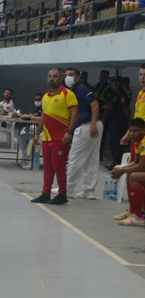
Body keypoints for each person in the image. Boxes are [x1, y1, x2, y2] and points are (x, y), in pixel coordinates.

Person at [51, 68, 101, 199]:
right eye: (66, 75)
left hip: (88, 126)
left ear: (77, 77)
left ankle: (67, 188)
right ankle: (88, 190)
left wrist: (94, 124)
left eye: (71, 75)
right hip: (90, 125)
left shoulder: (82, 88)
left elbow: (95, 105)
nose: (67, 77)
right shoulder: (71, 91)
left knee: (74, 157)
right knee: (92, 159)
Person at [30, 69, 79, 205]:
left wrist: (69, 132)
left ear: (61, 78)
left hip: (60, 138)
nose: (52, 79)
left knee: (59, 167)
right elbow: (43, 117)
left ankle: (62, 194)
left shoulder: (67, 94)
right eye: (49, 76)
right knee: (48, 168)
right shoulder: (45, 96)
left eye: (55, 77)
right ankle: (45, 193)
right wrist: (37, 134)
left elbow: (75, 113)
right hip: (46, 138)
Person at [111, 118, 145, 226]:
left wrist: (123, 170)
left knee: (134, 176)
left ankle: (139, 217)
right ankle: (132, 211)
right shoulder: (137, 142)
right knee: (130, 173)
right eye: (130, 131)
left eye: (135, 131)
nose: (132, 134)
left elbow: (141, 166)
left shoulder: (144, 142)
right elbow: (135, 162)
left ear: (143, 130)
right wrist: (121, 169)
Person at [103, 76, 131, 170]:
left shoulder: (122, 95)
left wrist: (128, 122)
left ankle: (117, 161)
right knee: (113, 143)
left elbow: (126, 109)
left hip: (118, 123)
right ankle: (115, 160)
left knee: (117, 143)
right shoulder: (114, 93)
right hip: (112, 122)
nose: (115, 84)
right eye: (114, 83)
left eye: (117, 83)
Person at [14, 93, 42, 169]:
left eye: (39, 100)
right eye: (36, 100)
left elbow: (40, 118)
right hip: (36, 131)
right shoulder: (38, 108)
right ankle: (26, 158)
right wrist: (22, 116)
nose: (37, 101)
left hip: (43, 132)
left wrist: (29, 117)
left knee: (31, 139)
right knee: (21, 137)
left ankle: (32, 162)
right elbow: (32, 114)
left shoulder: (44, 108)